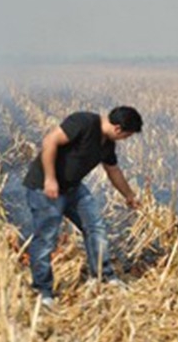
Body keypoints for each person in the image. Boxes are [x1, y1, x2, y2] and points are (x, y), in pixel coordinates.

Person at [22, 106, 143, 308]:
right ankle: (43, 291)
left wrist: (129, 196)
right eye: (127, 136)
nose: (126, 140)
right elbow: (50, 141)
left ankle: (104, 276)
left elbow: (113, 170)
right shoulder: (83, 122)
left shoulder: (107, 144)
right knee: (46, 238)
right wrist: (50, 179)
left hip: (73, 188)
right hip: (46, 188)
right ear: (118, 129)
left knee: (96, 227)